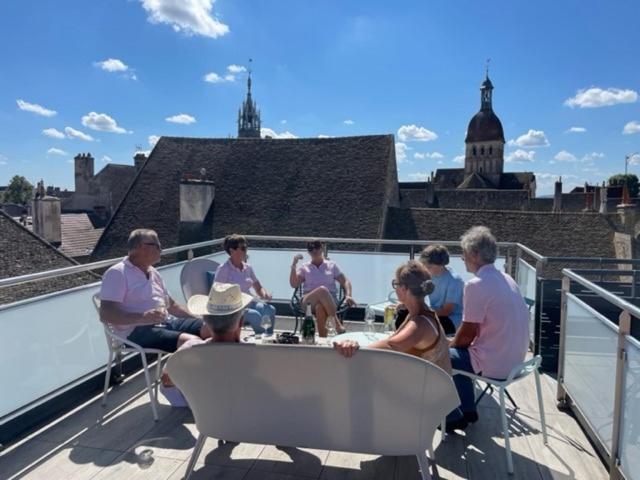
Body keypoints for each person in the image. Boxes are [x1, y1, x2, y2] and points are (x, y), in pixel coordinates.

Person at [446, 226, 530, 432]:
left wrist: (448, 345)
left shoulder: (476, 285)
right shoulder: (507, 279)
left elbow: (467, 334)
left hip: (496, 364)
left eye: (464, 253)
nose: (462, 258)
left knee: (440, 354)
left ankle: (453, 415)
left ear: (474, 255)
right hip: (517, 361)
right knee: (456, 353)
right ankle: (467, 409)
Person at [99, 229, 211, 352]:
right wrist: (142, 317)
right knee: (193, 343)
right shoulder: (117, 273)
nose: (161, 250)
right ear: (142, 247)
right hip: (137, 332)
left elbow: (172, 305)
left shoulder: (153, 272)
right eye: (157, 246)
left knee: (215, 329)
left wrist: (199, 318)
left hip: (167, 322)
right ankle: (172, 371)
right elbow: (106, 314)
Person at [334, 260, 452, 374]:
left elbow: (392, 345)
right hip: (427, 383)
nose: (395, 288)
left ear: (404, 289)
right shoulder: (420, 313)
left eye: (395, 284)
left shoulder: (420, 323)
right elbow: (391, 341)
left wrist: (355, 348)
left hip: (431, 391)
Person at [160, 282, 253, 407]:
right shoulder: (252, 354)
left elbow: (166, 381)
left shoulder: (188, 352)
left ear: (206, 322)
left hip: (204, 419)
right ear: (241, 322)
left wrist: (194, 402)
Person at [290, 240, 356, 337]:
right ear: (308, 252)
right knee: (322, 290)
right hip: (308, 301)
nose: (314, 251)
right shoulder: (305, 267)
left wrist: (348, 295)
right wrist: (293, 265)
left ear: (322, 248)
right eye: (311, 249)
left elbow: (346, 281)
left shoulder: (332, 265)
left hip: (330, 301)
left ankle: (323, 340)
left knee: (320, 307)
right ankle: (337, 325)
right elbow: (294, 284)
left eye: (317, 247)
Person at [214, 234, 276, 335]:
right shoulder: (224, 269)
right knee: (255, 315)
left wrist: (265, 295)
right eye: (243, 248)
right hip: (232, 308)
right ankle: (261, 340)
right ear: (232, 250)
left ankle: (268, 338)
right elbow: (216, 291)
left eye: (246, 247)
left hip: (249, 303)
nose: (246, 250)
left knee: (270, 310)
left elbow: (258, 287)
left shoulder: (248, 268)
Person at [419, 244, 464, 335]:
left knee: (420, 328)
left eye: (429, 266)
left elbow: (446, 311)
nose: (426, 269)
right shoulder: (429, 275)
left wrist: (421, 312)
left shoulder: (454, 281)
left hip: (451, 319)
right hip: (434, 315)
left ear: (441, 265)